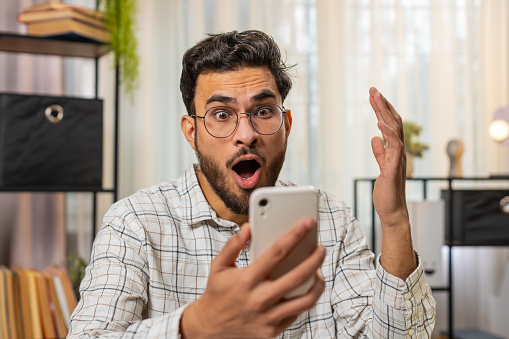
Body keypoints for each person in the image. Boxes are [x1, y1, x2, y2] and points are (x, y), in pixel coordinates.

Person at [68, 30, 435, 338]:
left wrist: (395, 220)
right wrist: (196, 324)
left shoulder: (331, 218)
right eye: (222, 115)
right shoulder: (134, 222)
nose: (246, 134)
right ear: (192, 132)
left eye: (262, 111)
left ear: (286, 124)